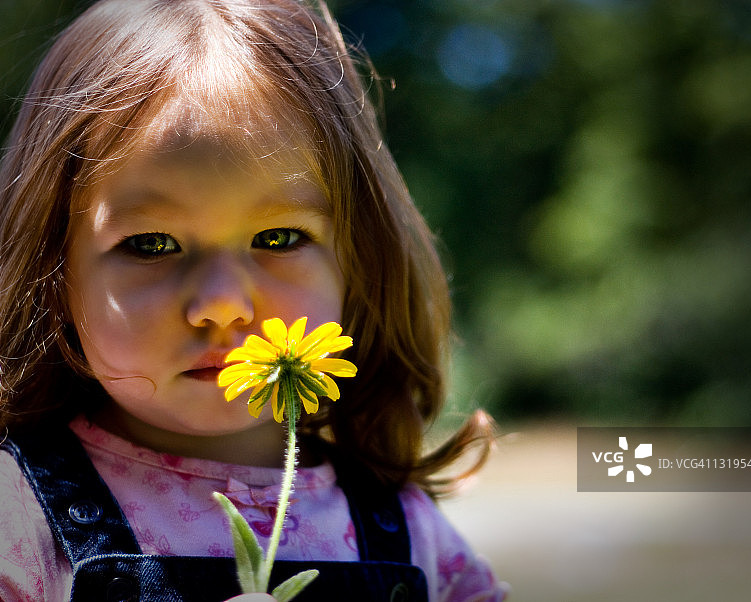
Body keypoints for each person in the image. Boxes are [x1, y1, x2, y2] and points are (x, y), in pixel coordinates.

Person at [0, 0, 508, 600]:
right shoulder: (18, 515)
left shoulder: (409, 529)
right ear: (55, 276)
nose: (221, 304)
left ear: (359, 266)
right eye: (152, 243)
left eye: (278, 238)